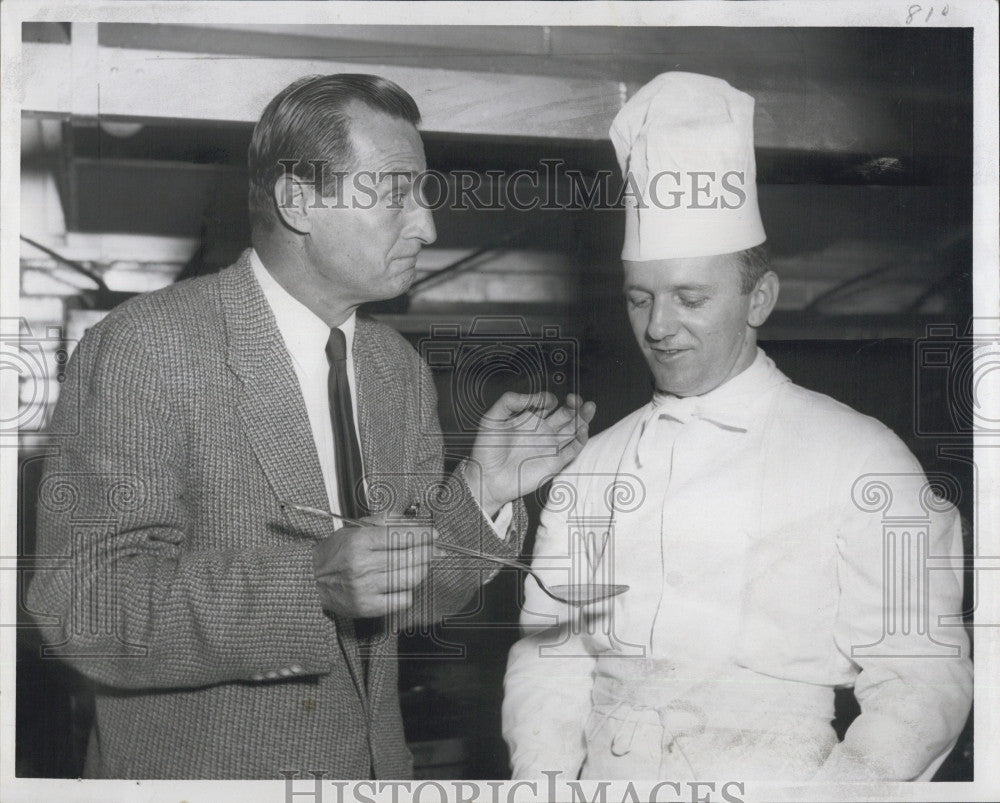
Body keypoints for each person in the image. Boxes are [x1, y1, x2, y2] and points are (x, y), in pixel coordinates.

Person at [26, 73, 596, 780]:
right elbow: (84, 606)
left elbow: (405, 598)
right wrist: (310, 585)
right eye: (396, 193)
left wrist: (483, 491)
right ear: (299, 201)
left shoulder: (395, 369)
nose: (428, 225)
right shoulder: (148, 348)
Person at [502, 72, 972, 782]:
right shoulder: (592, 467)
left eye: (691, 297)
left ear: (761, 298)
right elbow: (551, 654)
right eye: (639, 298)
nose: (659, 328)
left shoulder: (862, 458)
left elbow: (925, 679)